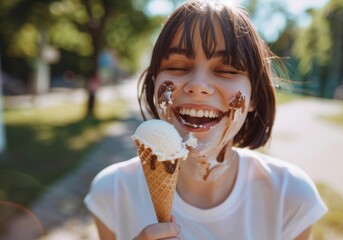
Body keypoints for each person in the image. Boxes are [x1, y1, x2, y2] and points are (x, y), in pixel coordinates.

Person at [84, 0, 328, 239]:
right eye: (178, 66)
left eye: (227, 70)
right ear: (153, 83)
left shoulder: (291, 197)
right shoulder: (112, 193)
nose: (198, 86)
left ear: (254, 96)